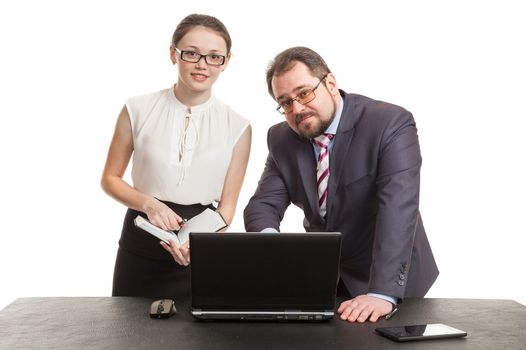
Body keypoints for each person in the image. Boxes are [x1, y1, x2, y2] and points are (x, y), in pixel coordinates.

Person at [244, 47, 438, 323]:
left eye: (304, 93)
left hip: (388, 278)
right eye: (285, 102)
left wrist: (382, 293)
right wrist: (274, 249)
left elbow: (398, 209)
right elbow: (263, 204)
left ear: (331, 84)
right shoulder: (281, 138)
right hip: (325, 281)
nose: (297, 109)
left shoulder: (389, 123)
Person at [101, 14, 251, 299]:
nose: (202, 64)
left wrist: (198, 244)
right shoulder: (136, 109)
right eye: (192, 53)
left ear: (227, 61)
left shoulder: (238, 126)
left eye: (214, 57)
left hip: (201, 245)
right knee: (129, 335)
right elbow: (110, 178)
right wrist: (149, 204)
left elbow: (228, 207)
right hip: (142, 236)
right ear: (173, 53)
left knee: (197, 339)